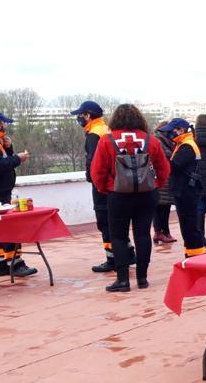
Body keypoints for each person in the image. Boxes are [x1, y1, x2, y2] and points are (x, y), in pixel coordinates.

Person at [90, 104, 170, 292]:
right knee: (142, 234)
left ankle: (123, 280)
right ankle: (142, 279)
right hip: (147, 194)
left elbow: (97, 171)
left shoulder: (106, 140)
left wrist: (105, 189)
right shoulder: (151, 140)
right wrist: (155, 185)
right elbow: (164, 169)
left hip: (118, 195)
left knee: (118, 236)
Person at [72, 101, 129, 273]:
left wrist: (93, 180)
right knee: (119, 221)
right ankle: (127, 253)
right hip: (117, 181)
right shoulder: (107, 130)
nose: (79, 118)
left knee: (105, 222)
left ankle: (112, 259)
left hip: (102, 185)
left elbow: (93, 161)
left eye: (80, 115)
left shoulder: (93, 135)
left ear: (88, 115)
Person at [0, 111, 37, 278]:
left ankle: (0, 263)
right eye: (3, 123)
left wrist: (9, 149)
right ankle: (15, 263)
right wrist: (18, 158)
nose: (5, 127)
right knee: (9, 225)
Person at [157, 118, 206, 258]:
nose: (170, 134)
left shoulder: (187, 146)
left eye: (172, 131)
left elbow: (175, 167)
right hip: (185, 189)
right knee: (188, 222)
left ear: (181, 130)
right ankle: (193, 251)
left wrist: (161, 158)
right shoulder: (184, 144)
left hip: (186, 190)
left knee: (189, 223)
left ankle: (195, 253)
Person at [152, 121, 178, 245]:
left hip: (166, 178)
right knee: (159, 207)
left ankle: (165, 231)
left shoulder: (166, 141)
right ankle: (158, 232)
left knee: (165, 207)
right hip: (159, 178)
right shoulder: (158, 141)